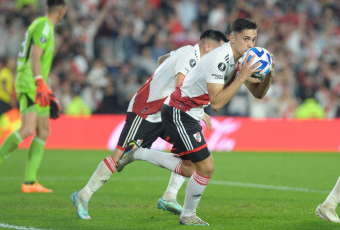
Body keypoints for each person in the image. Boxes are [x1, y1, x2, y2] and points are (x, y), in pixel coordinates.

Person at [117, 18, 275, 226]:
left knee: (190, 168)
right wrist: (241, 77)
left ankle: (137, 153)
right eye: (246, 39)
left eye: (254, 40)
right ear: (232, 38)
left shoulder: (239, 60)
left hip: (190, 112)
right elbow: (217, 103)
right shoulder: (219, 58)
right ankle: (188, 215)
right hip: (179, 111)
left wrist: (268, 75)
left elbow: (258, 94)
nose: (251, 45)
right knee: (207, 168)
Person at [71, 29, 228, 220]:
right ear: (208, 46)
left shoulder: (189, 54)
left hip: (166, 112)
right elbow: (181, 88)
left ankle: (169, 196)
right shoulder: (190, 56)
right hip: (146, 110)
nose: (221, 57)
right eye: (219, 50)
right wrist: (200, 112)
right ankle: (82, 195)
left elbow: (164, 58)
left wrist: (163, 70)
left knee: (190, 158)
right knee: (119, 155)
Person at [0, 0, 67, 193]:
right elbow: (35, 56)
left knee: (43, 131)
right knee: (28, 129)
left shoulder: (42, 26)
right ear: (61, 11)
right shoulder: (44, 26)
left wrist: (44, 84)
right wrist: (38, 82)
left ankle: (29, 182)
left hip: (38, 84)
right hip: (30, 83)